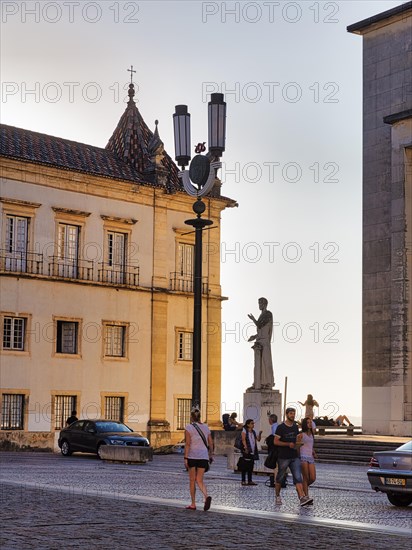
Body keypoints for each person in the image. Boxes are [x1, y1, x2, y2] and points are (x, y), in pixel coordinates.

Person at [274, 407, 313, 506]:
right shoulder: (280, 427)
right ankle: (277, 496)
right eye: (291, 413)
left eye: (294, 413)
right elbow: (276, 441)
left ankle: (301, 498)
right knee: (280, 477)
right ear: (287, 414)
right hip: (283, 457)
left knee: (297, 478)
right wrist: (288, 444)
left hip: (294, 456)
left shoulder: (295, 427)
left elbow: (296, 440)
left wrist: (298, 443)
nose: (293, 415)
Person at [184, 408, 213, 511]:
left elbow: (187, 444)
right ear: (200, 416)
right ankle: (206, 496)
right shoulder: (206, 427)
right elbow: (210, 442)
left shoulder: (188, 427)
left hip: (192, 455)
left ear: (191, 417)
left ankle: (193, 503)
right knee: (199, 480)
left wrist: (185, 458)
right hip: (203, 456)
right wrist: (210, 455)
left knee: (192, 480)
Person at [247, 297, 274, 390]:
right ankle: (257, 384)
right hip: (259, 341)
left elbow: (260, 325)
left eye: (261, 304)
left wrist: (253, 319)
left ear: (265, 304)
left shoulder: (268, 314)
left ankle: (267, 383)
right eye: (259, 304)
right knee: (258, 364)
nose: (259, 305)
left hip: (265, 342)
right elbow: (261, 330)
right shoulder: (262, 315)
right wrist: (254, 336)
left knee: (266, 363)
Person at [297, 417, 317, 500]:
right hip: (303, 456)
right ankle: (306, 495)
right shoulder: (301, 435)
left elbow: (310, 445)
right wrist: (298, 457)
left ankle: (300, 489)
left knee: (313, 478)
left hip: (310, 457)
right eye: (308, 422)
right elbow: (297, 447)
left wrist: (313, 452)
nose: (309, 424)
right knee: (306, 477)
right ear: (305, 424)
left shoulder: (312, 434)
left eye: (310, 422)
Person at [239, 419, 262, 486]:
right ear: (248, 424)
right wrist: (245, 447)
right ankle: (243, 480)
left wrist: (260, 434)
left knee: (250, 465)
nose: (253, 425)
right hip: (246, 450)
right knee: (244, 465)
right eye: (251, 423)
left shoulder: (254, 432)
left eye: (253, 423)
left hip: (252, 450)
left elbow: (258, 439)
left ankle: (250, 480)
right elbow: (243, 439)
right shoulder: (244, 430)